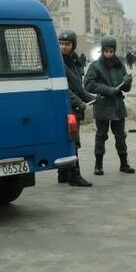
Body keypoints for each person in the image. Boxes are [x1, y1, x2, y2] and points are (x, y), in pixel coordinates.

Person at [84, 35, 136, 175]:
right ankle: (98, 165)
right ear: (102, 51)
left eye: (111, 51)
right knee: (101, 135)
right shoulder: (95, 66)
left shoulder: (120, 65)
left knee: (120, 136)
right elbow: (88, 84)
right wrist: (107, 90)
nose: (109, 54)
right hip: (102, 106)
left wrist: (127, 82)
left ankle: (124, 164)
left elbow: (126, 89)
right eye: (106, 51)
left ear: (115, 51)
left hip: (118, 106)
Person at [58, 29, 94, 187]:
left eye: (67, 44)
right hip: (65, 107)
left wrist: (91, 97)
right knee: (73, 140)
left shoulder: (74, 62)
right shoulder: (57, 62)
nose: (64, 47)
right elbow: (64, 88)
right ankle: (74, 174)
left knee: (69, 139)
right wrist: (80, 101)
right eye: (61, 44)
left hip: (74, 106)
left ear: (73, 46)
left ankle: (63, 173)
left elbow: (78, 86)